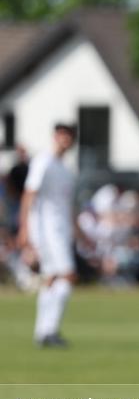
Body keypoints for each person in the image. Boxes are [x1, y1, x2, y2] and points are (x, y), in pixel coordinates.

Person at [16, 123, 79, 347]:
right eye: (63, 135)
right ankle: (49, 331)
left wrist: (79, 231)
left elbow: (67, 205)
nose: (66, 140)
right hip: (47, 231)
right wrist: (24, 228)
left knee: (51, 280)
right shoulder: (43, 161)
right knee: (67, 276)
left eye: (69, 136)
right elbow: (29, 194)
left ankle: (43, 332)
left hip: (62, 230)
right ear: (55, 136)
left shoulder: (65, 168)